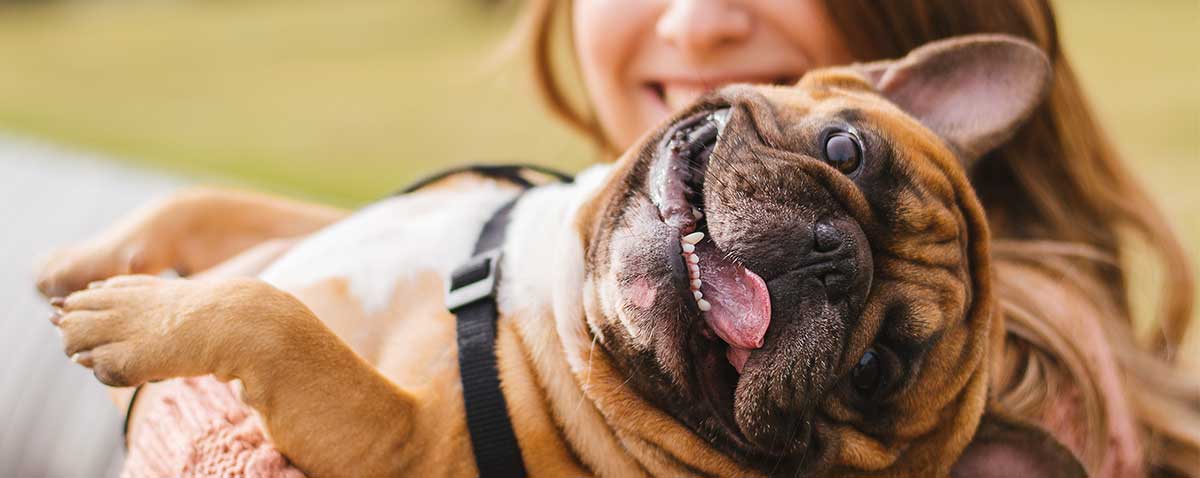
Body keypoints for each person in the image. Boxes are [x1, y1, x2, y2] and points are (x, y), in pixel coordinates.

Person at [56, 1, 1199, 476]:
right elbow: (405, 257)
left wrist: (192, 384)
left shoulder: (1034, 383)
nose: (700, 17)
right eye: (842, 159)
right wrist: (212, 229)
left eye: (876, 358)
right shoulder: (601, 226)